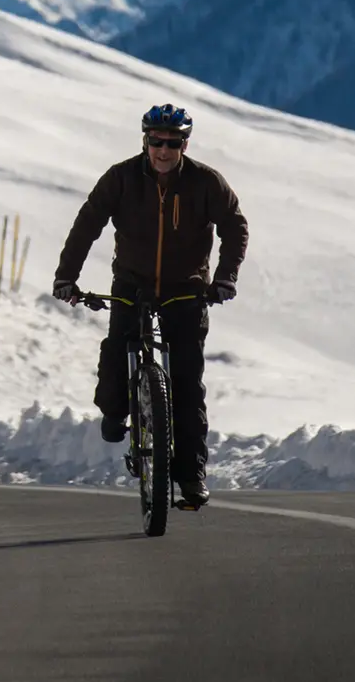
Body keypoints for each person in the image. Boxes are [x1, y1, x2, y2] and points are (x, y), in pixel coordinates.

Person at [52, 104, 247, 508]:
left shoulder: (205, 182)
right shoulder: (121, 178)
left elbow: (235, 227)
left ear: (184, 145)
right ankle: (113, 410)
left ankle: (191, 476)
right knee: (115, 350)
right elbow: (87, 224)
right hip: (133, 284)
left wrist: (225, 278)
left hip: (186, 289)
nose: (163, 150)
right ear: (145, 141)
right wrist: (66, 276)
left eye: (172, 144)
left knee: (188, 384)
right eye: (156, 142)